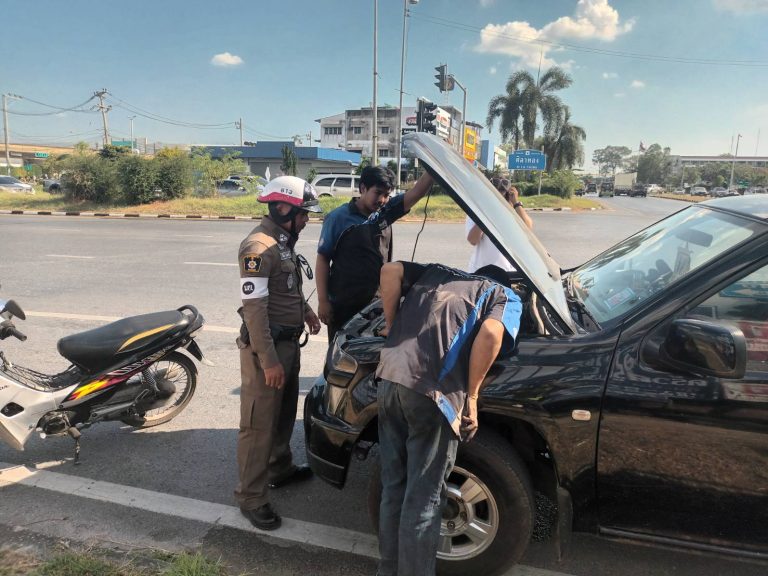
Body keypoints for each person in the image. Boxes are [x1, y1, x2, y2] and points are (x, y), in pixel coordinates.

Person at [374, 261, 523, 576]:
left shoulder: (439, 273)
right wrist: (471, 397)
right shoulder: (502, 293)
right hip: (430, 395)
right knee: (424, 499)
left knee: (395, 487)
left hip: (388, 379)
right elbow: (491, 335)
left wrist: (392, 326)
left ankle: (387, 571)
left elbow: (389, 271)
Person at [235, 175, 322, 531]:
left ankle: (279, 468)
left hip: (288, 343)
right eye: (303, 213)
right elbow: (255, 310)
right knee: (258, 425)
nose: (306, 220)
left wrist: (306, 311)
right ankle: (251, 497)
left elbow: (287, 287)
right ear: (283, 208)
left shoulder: (283, 242)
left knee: (284, 412)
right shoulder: (258, 248)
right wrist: (268, 360)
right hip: (266, 349)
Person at [315, 166, 434, 341]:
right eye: (378, 193)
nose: (383, 200)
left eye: (387, 195)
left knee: (371, 356)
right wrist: (323, 301)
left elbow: (416, 193)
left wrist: (433, 169)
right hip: (343, 305)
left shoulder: (385, 213)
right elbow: (323, 259)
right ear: (362, 188)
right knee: (340, 359)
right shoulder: (338, 218)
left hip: (377, 305)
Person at [466, 177, 533, 273]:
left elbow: (528, 229)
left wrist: (516, 203)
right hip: (481, 271)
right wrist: (487, 213)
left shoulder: (514, 213)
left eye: (503, 195)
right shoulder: (478, 211)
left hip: (508, 273)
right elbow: (473, 240)